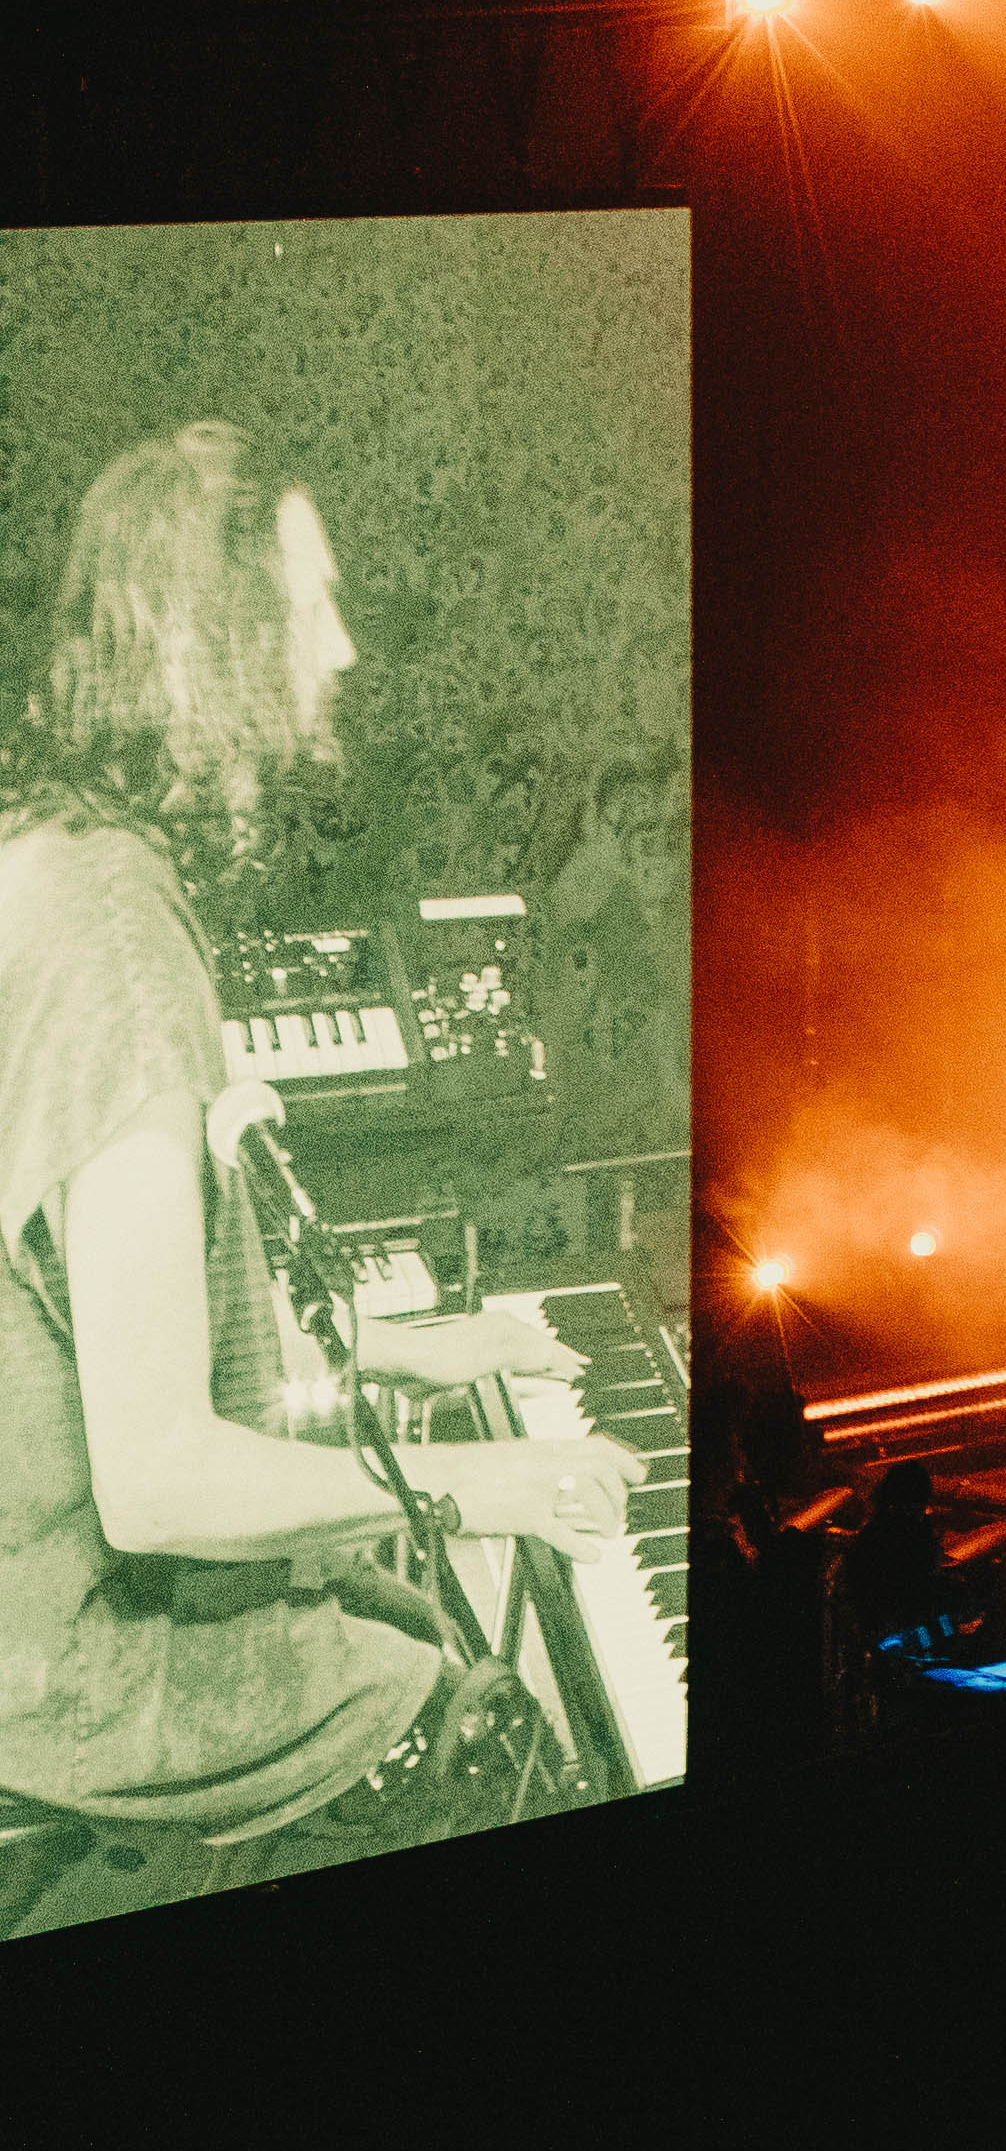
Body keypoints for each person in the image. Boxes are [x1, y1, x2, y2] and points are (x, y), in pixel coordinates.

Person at [4, 427, 644, 1937]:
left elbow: (92, 1318)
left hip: (36, 1601)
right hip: (77, 1666)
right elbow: (157, 1479)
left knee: (383, 1596)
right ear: (211, 648)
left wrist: (401, 1351)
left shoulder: (57, 855)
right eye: (309, 611)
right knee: (494, 1738)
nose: (343, 650)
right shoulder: (112, 949)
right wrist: (479, 1474)